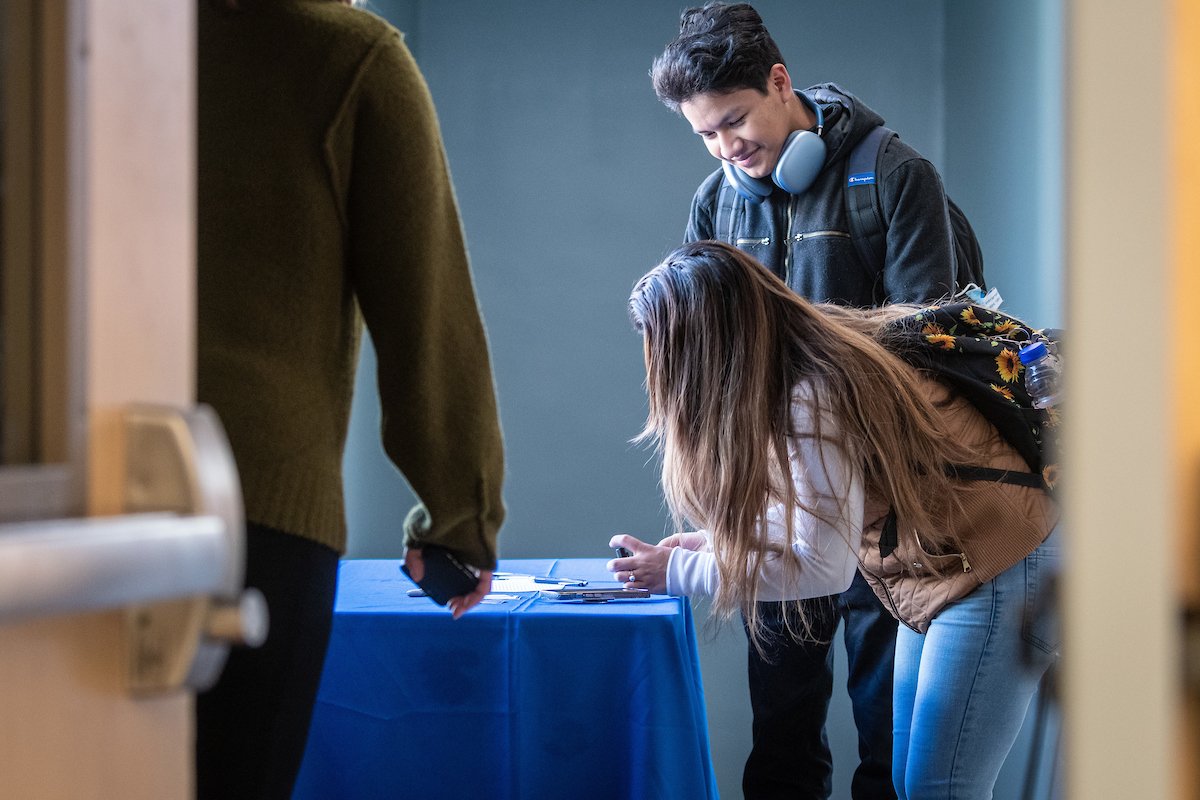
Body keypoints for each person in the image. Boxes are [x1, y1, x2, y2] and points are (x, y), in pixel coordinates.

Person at [611, 241, 1059, 800]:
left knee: (942, 788)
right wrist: (715, 546)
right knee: (911, 783)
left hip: (1001, 559)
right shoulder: (793, 366)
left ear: (703, 344)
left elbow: (824, 570)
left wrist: (680, 573)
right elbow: (821, 509)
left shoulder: (809, 392)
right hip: (948, 566)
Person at [195, 1, 506, 798]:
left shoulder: (65, 49)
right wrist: (458, 522)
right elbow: (425, 313)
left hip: (62, 498)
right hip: (258, 512)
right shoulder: (349, 57)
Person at [650, 4, 961, 797]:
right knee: (780, 737)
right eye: (706, 135)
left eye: (735, 122)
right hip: (773, 507)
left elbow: (932, 345)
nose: (726, 149)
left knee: (884, 737)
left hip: (890, 509)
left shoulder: (892, 176)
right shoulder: (715, 203)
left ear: (780, 83)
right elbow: (708, 352)